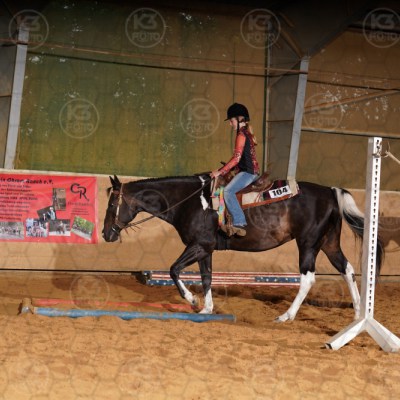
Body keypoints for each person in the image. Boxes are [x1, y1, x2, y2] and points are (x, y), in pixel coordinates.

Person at [210, 103, 260, 236]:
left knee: (227, 191)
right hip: (249, 172)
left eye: (231, 121)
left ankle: (239, 222)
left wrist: (220, 172)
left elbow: (236, 159)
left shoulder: (241, 135)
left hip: (248, 173)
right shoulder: (246, 133)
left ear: (239, 119)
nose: (230, 124)